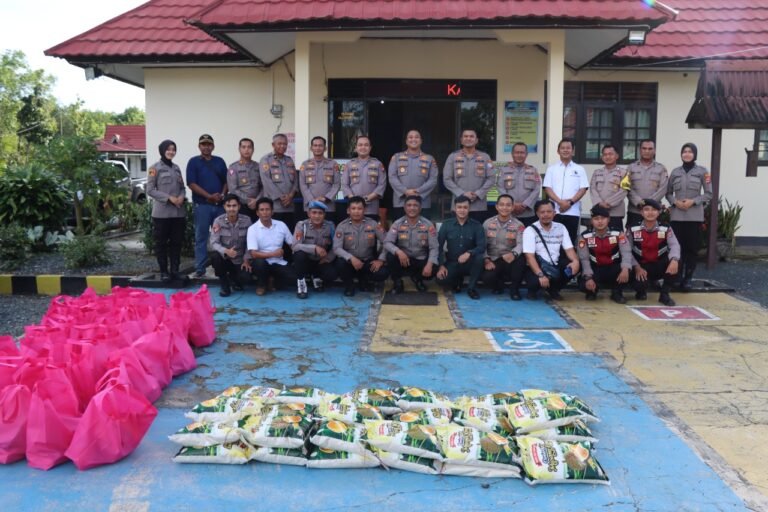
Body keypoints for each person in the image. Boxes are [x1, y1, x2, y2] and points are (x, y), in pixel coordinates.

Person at [665, 142, 712, 292]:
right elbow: (668, 192)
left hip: (694, 216)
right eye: (684, 151)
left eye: (690, 152)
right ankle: (676, 277)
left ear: (695, 154)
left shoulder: (703, 172)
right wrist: (675, 202)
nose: (687, 154)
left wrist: (694, 201)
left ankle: (688, 278)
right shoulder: (675, 172)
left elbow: (709, 194)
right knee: (676, 248)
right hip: (677, 216)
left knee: (691, 249)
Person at [186, 134, 227, 278]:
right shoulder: (193, 162)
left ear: (213, 146)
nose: (206, 147)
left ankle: (223, 267)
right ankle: (200, 268)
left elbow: (226, 181)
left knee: (223, 237)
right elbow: (191, 183)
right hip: (202, 205)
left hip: (220, 205)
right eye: (203, 144)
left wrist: (222, 194)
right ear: (199, 146)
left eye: (209, 144)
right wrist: (208, 196)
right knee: (201, 237)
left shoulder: (220, 161)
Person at [522, 200, 580, 301]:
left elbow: (569, 249)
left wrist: (575, 261)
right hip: (538, 266)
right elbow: (529, 256)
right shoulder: (530, 230)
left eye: (549, 212)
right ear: (537, 214)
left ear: (554, 213)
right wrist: (540, 274)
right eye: (542, 212)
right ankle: (533, 290)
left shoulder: (561, 227)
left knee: (575, 266)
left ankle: (554, 289)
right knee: (535, 282)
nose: (546, 215)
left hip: (555, 265)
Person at [146, 139, 186, 282]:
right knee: (161, 244)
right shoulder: (154, 168)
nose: (171, 152)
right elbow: (150, 190)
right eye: (168, 149)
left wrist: (181, 197)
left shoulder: (176, 168)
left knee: (176, 243)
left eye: (173, 149)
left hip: (178, 213)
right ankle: (164, 272)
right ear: (162, 150)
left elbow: (182, 187)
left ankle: (175, 271)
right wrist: (169, 198)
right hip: (162, 214)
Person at [333, 196, 389, 296]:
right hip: (349, 263)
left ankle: (364, 279)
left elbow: (387, 242)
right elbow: (336, 248)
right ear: (348, 211)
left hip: (367, 261)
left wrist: (381, 259)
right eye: (353, 209)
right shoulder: (342, 226)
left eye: (359, 208)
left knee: (383, 272)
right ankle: (349, 286)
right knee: (340, 264)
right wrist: (351, 258)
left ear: (365, 210)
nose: (356, 211)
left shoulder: (373, 224)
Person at [629, 199, 680, 306]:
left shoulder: (665, 228)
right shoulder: (633, 228)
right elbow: (626, 250)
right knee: (639, 284)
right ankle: (641, 291)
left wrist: (674, 260)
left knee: (677, 263)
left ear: (659, 212)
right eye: (646, 210)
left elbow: (674, 245)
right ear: (641, 212)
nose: (650, 213)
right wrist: (636, 267)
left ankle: (664, 294)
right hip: (641, 266)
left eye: (654, 210)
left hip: (659, 264)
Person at [577, 205, 632, 303]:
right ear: (591, 221)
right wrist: (589, 277)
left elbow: (626, 253)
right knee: (583, 284)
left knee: (629, 271)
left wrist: (625, 269)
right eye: (596, 219)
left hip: (613, 268)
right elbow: (584, 259)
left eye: (603, 218)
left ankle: (617, 292)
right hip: (595, 269)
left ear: (608, 219)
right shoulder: (584, 236)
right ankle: (592, 292)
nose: (600, 221)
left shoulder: (618, 233)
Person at [383, 195, 438, 294]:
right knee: (390, 256)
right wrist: (398, 252)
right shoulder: (398, 223)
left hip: (420, 259)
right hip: (404, 260)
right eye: (409, 205)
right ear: (404, 208)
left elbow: (434, 247)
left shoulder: (428, 224)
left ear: (420, 208)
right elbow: (387, 242)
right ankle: (398, 282)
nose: (412, 208)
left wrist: (429, 265)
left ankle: (418, 279)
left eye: (415, 205)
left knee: (434, 267)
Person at [436, 195, 486, 299]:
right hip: (452, 262)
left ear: (469, 209)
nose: (462, 210)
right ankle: (457, 281)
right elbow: (438, 246)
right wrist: (441, 265)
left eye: (465, 207)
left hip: (470, 262)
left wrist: (469, 253)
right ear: (454, 208)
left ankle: (471, 288)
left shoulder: (477, 225)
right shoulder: (446, 225)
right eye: (459, 207)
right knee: (440, 280)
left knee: (479, 258)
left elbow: (481, 246)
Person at [442, 129, 495, 222]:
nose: (468, 138)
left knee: (477, 233)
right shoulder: (452, 157)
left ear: (476, 140)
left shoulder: (485, 157)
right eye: (465, 136)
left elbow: (492, 178)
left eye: (471, 136)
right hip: (459, 205)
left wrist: (478, 194)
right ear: (461, 140)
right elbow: (447, 179)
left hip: (479, 206)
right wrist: (462, 194)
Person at [543, 138, 589, 244]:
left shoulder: (580, 169)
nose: (565, 150)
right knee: (553, 241)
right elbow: (547, 188)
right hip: (554, 212)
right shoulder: (551, 169)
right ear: (558, 151)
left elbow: (583, 189)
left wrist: (570, 203)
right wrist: (560, 202)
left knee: (570, 240)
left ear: (573, 151)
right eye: (562, 148)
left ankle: (569, 261)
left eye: (568, 148)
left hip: (572, 212)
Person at [246, 197, 296, 296]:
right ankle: (261, 285)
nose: (265, 212)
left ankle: (272, 279)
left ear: (272, 211)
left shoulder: (281, 225)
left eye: (267, 209)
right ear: (257, 213)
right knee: (259, 264)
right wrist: (273, 254)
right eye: (262, 210)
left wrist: (298, 254)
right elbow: (254, 254)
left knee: (293, 279)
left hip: (278, 262)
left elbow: (292, 244)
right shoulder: (252, 229)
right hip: (262, 262)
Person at [481, 194, 526, 300]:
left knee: (521, 260)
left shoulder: (518, 225)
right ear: (496, 206)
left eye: (508, 205)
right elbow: (481, 244)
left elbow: (522, 243)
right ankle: (498, 285)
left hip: (510, 258)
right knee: (487, 278)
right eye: (501, 205)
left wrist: (514, 253)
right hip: (493, 259)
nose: (505, 208)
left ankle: (514, 290)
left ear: (512, 207)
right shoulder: (487, 223)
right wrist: (486, 259)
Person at [388, 130, 439, 219]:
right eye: (410, 137)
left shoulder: (429, 159)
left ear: (421, 140)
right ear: (406, 141)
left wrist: (418, 191)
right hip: (401, 202)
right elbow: (392, 177)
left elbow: (433, 180)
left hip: (423, 202)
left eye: (416, 137)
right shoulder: (396, 157)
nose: (413, 139)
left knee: (422, 231)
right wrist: (405, 191)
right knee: (401, 230)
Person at [292, 200, 337, 299]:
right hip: (306, 260)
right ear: (308, 214)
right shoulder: (302, 225)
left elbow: (336, 246)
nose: (317, 216)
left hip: (321, 260)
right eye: (314, 212)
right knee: (299, 254)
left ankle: (316, 276)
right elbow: (295, 246)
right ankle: (301, 283)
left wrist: (328, 258)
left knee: (332, 275)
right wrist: (314, 248)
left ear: (324, 214)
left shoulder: (330, 226)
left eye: (320, 213)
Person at [209, 194, 252, 297]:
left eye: (234, 206)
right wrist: (225, 251)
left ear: (239, 206)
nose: (231, 209)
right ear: (224, 207)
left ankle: (234, 280)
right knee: (215, 257)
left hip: (240, 260)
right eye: (229, 206)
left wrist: (246, 259)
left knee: (246, 278)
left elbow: (250, 242)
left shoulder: (247, 221)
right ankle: (224, 284)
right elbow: (214, 242)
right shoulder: (218, 221)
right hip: (226, 259)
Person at [341, 135, 387, 221]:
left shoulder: (378, 164)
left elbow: (382, 185)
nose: (363, 147)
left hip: (371, 208)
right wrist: (354, 200)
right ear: (356, 148)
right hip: (354, 208)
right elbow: (344, 185)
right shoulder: (349, 164)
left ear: (370, 148)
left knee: (370, 233)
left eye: (366, 145)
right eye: (360, 145)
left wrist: (367, 198)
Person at [259, 133, 298, 232]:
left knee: (288, 233)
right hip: (274, 206)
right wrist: (281, 197)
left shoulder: (289, 160)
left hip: (289, 206)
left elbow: (295, 181)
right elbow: (266, 181)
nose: (282, 146)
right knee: (274, 234)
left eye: (285, 144)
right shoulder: (266, 160)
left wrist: (291, 195)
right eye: (279, 144)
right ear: (273, 145)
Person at [496, 142, 541, 227]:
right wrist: (512, 204)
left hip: (527, 213)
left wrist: (525, 205)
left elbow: (537, 189)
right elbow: (500, 188)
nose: (519, 155)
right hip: (508, 213)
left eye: (522, 153)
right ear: (512, 154)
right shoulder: (504, 170)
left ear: (526, 154)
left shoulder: (533, 170)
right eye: (517, 152)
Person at [626, 140, 668, 228]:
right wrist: (639, 202)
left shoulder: (661, 168)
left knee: (655, 239)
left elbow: (663, 188)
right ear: (640, 150)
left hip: (654, 212)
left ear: (654, 151)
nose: (647, 151)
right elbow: (627, 187)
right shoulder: (631, 167)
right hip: (635, 211)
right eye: (644, 148)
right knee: (633, 239)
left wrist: (648, 204)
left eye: (650, 149)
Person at [299, 136, 340, 222]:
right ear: (311, 148)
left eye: (320, 145)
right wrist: (312, 199)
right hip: (310, 206)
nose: (318, 148)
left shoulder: (333, 164)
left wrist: (326, 198)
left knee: (328, 231)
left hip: (328, 206)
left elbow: (337, 184)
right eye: (315, 145)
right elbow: (303, 185)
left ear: (325, 148)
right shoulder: (305, 164)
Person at [589, 144, 628, 232]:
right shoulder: (597, 172)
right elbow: (592, 189)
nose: (607, 156)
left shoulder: (624, 173)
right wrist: (599, 203)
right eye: (605, 154)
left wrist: (608, 203)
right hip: (599, 213)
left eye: (610, 154)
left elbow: (624, 191)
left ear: (617, 156)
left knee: (616, 240)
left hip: (615, 214)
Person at [226, 138, 261, 221]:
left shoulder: (258, 166)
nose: (246, 150)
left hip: (258, 204)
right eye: (244, 147)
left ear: (253, 150)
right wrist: (248, 200)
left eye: (249, 147)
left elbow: (264, 186)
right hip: (242, 205)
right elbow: (233, 189)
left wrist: (257, 200)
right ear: (239, 149)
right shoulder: (233, 167)